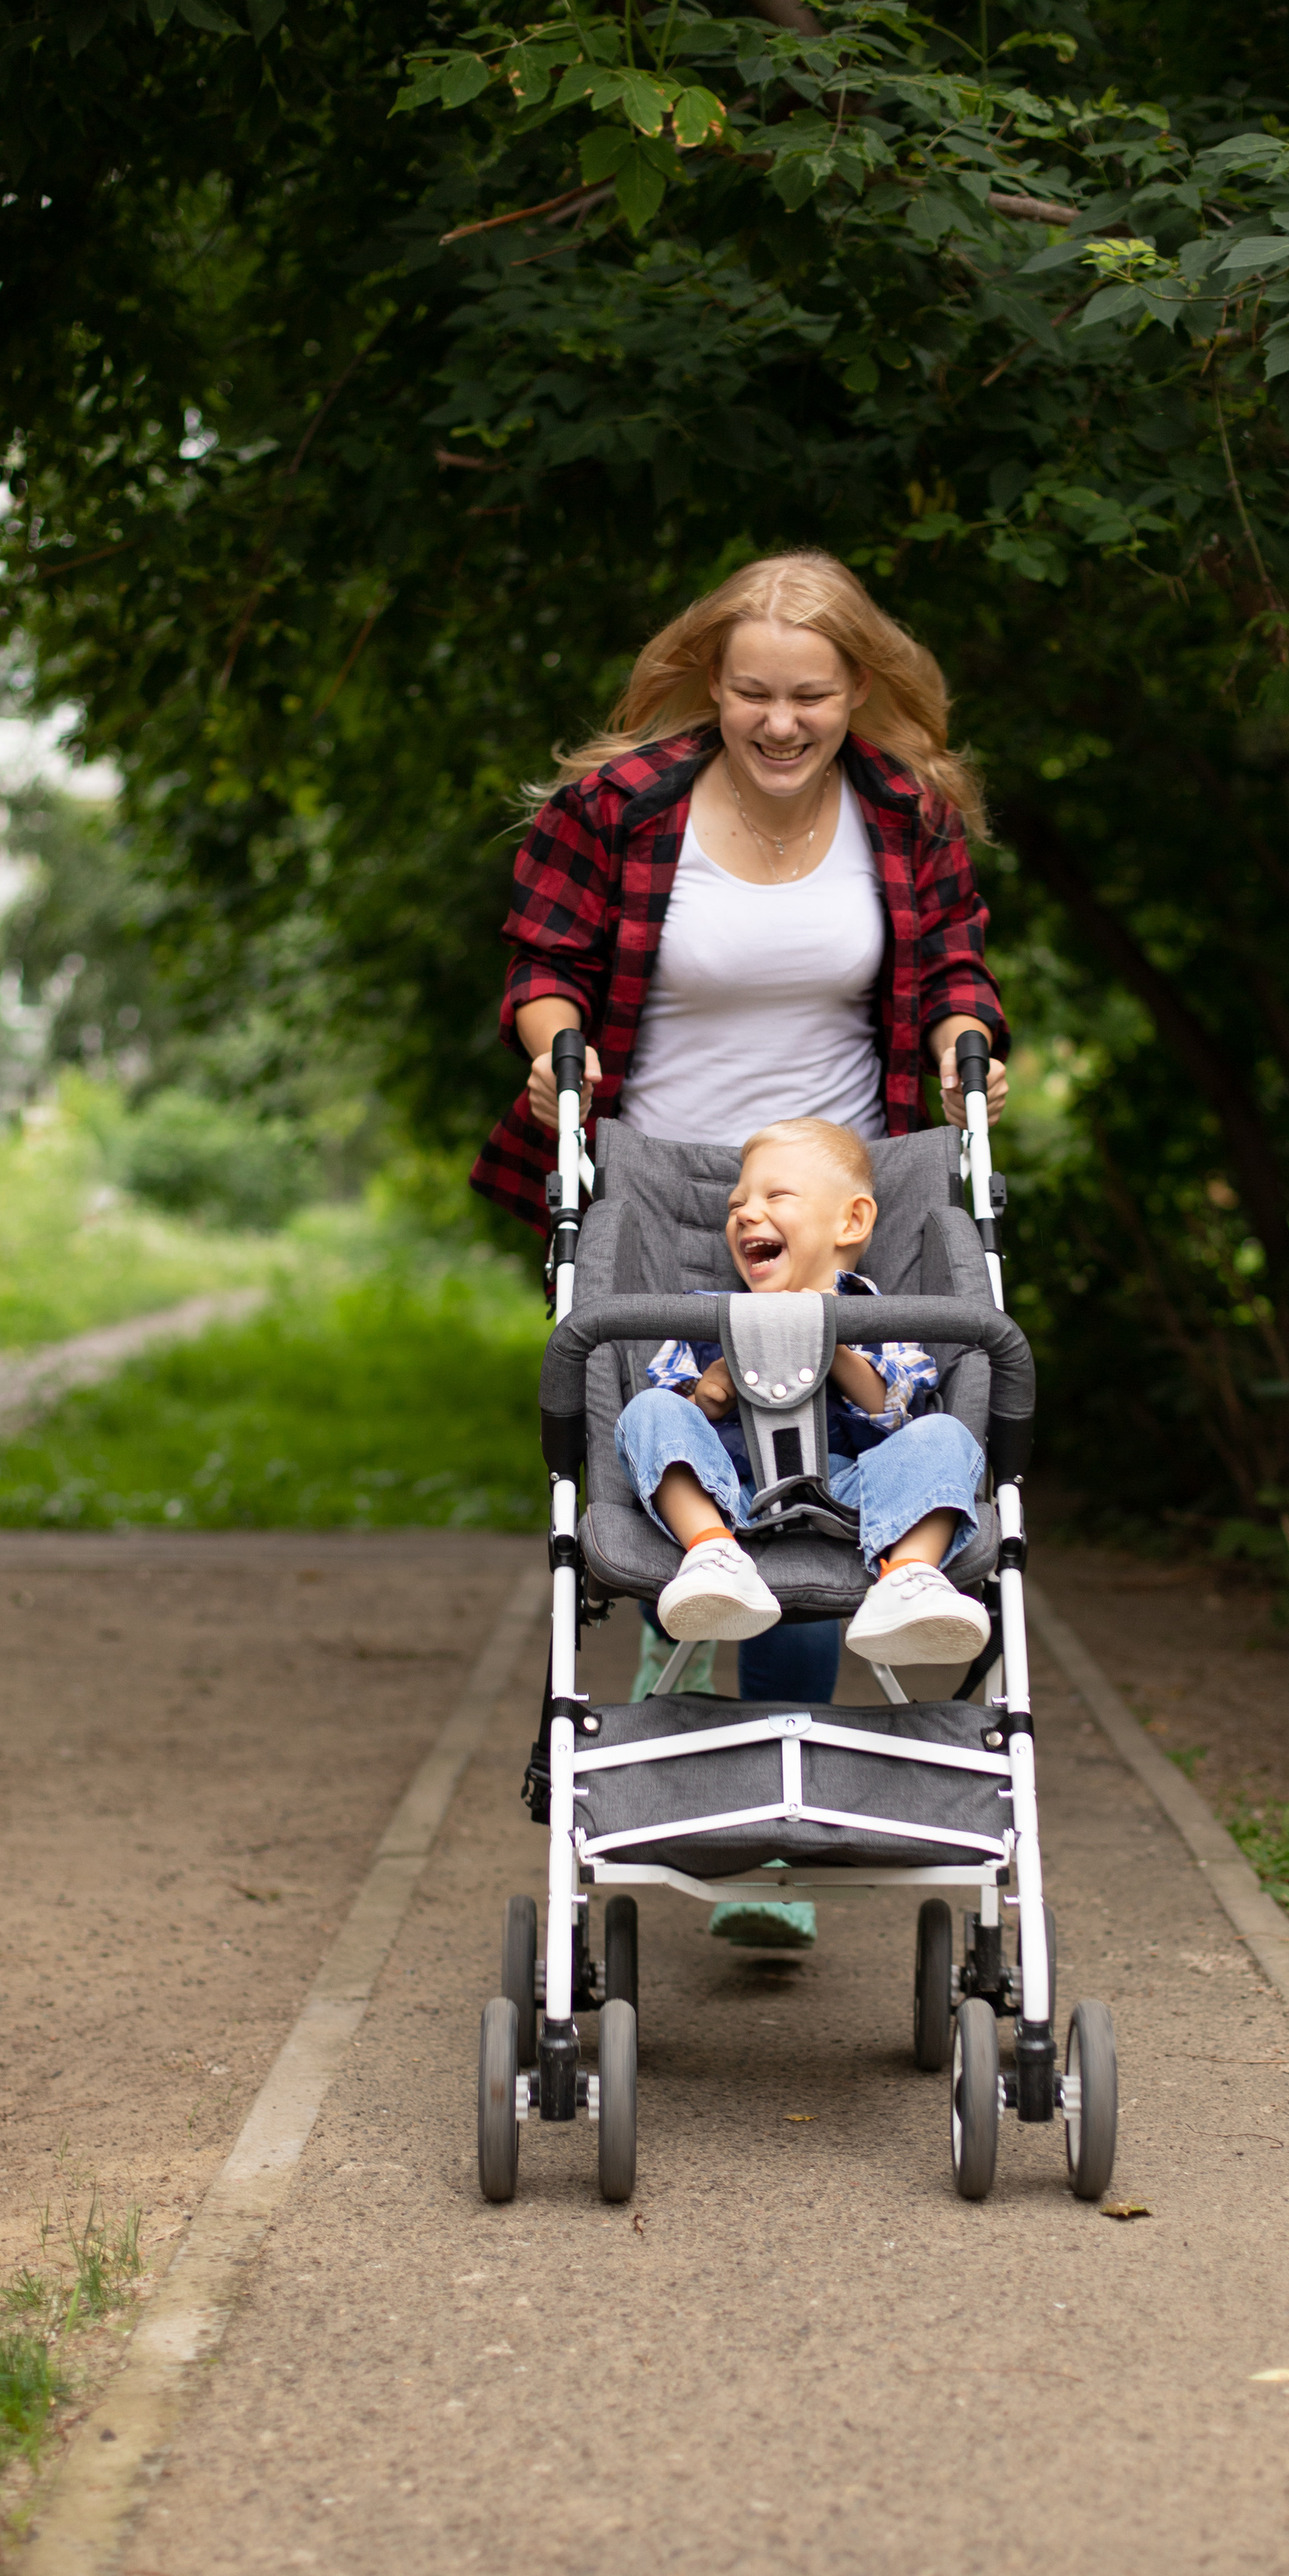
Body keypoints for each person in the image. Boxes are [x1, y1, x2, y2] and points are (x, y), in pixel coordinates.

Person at [474, 546, 1008, 1710]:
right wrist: (555, 1064)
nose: (779, 723)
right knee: (662, 1438)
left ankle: (776, 1793)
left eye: (809, 696)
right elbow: (546, 965)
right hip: (665, 1188)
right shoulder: (619, 807)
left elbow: (955, 965)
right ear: (710, 684)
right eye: (752, 693)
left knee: (824, 1457)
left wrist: (968, 1046)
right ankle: (685, 1740)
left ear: (858, 688)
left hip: (830, 1197)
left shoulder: (906, 812)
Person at [616, 1119, 992, 1672]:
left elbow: (896, 1408)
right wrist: (708, 1394)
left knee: (946, 1436)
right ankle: (711, 1553)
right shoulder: (704, 1316)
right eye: (735, 1203)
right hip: (732, 1493)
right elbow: (673, 1422)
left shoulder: (880, 1318)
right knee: (648, 1411)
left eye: (776, 1196)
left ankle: (909, 1577)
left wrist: (830, 1345)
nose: (744, 1212)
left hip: (856, 1498)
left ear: (852, 1220)